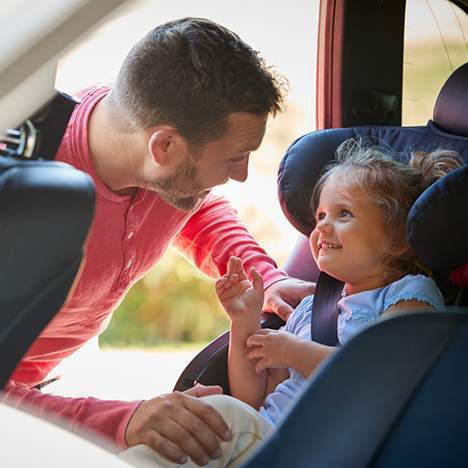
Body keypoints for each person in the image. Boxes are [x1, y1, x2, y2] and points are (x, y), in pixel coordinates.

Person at [2, 17, 315, 467]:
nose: (241, 175)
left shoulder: (164, 170)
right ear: (164, 147)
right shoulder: (19, 196)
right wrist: (122, 420)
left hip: (44, 385)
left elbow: (195, 208)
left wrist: (263, 275)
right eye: (234, 158)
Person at [121, 140, 463, 466]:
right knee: (196, 417)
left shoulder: (408, 294)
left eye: (344, 214)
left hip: (324, 448)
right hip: (266, 438)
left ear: (400, 238)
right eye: (320, 216)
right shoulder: (309, 310)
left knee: (217, 418)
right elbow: (254, 398)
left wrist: (292, 351)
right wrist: (244, 324)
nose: (323, 227)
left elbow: (386, 379)